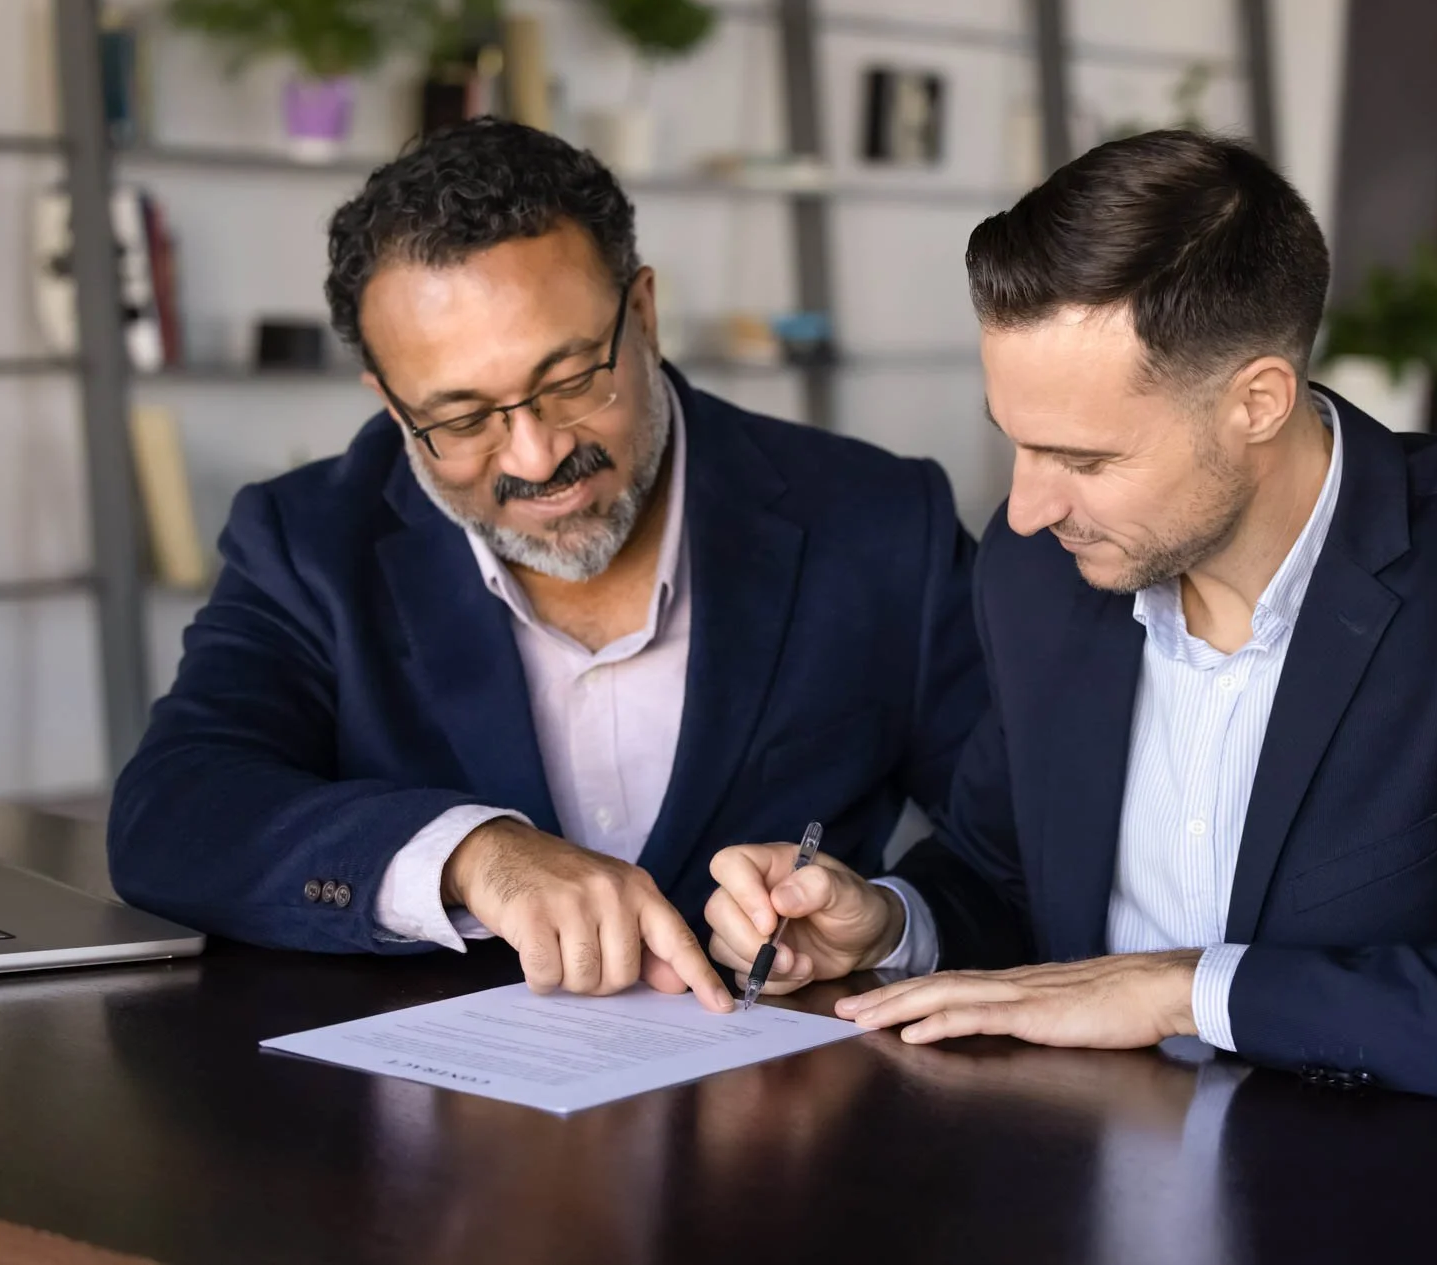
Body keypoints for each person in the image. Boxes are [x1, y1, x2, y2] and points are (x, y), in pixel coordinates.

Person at [706, 129, 1437, 1110]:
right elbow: (1002, 871)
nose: (1023, 509)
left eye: (1085, 460)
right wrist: (883, 922)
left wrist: (1181, 991)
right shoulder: (1038, 573)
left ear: (1258, 400)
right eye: (1015, 441)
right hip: (1066, 1177)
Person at [107, 119, 985, 1012]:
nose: (533, 456)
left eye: (571, 382)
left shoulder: (879, 522)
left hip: (794, 1116)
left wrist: (889, 918)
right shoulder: (306, 539)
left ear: (642, 313)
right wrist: (468, 855)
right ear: (389, 399)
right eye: (460, 418)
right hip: (434, 1125)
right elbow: (173, 812)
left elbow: (1033, 840)